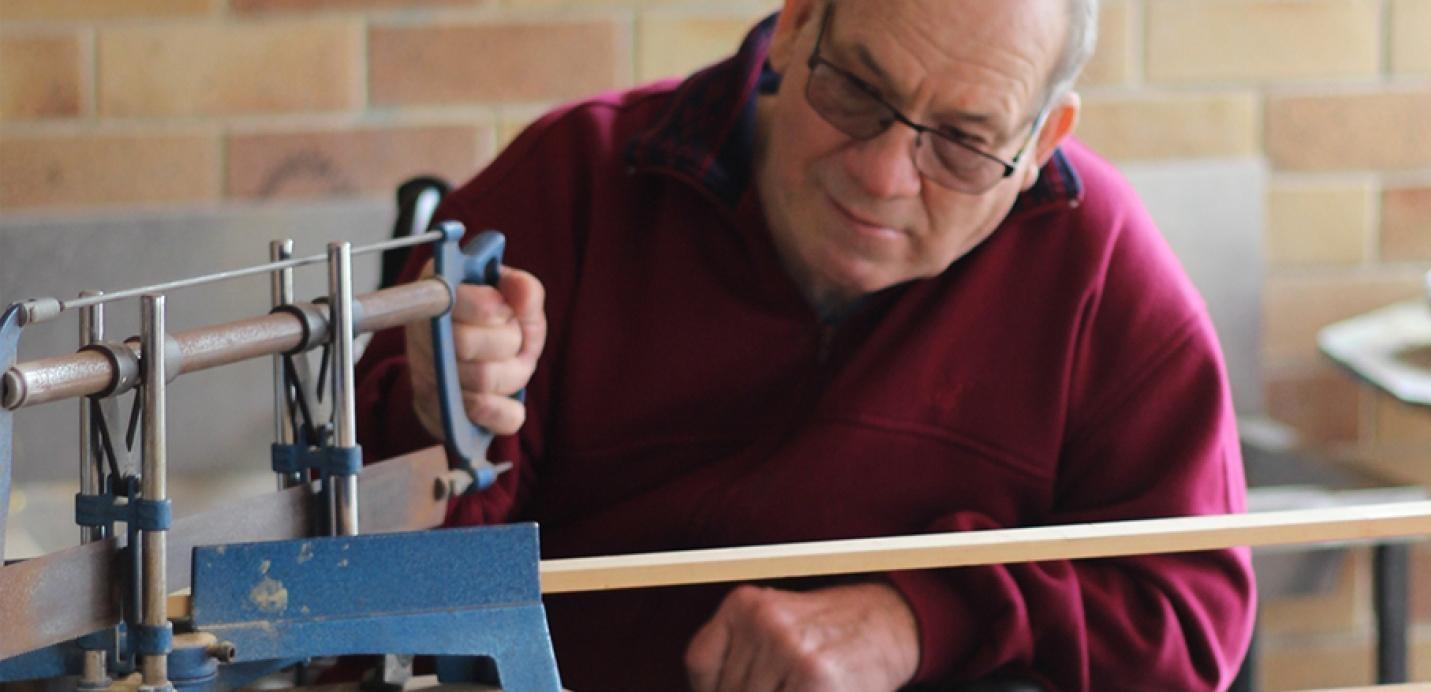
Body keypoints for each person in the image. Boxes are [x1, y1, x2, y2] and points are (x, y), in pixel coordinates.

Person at [355, 0, 1255, 688]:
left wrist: (918, 619)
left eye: (964, 143)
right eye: (858, 91)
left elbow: (1188, 616)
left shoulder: (1097, 270)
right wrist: (438, 420)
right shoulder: (572, 184)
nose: (883, 174)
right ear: (793, 26)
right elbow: (369, 590)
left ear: (1040, 139)